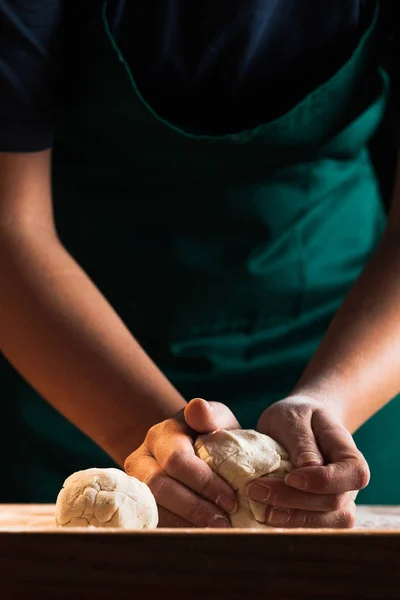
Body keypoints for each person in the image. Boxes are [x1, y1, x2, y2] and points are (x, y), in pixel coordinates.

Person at [0, 0, 399, 529]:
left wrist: (332, 400)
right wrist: (146, 437)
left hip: (347, 344)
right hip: (71, 356)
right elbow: (11, 229)